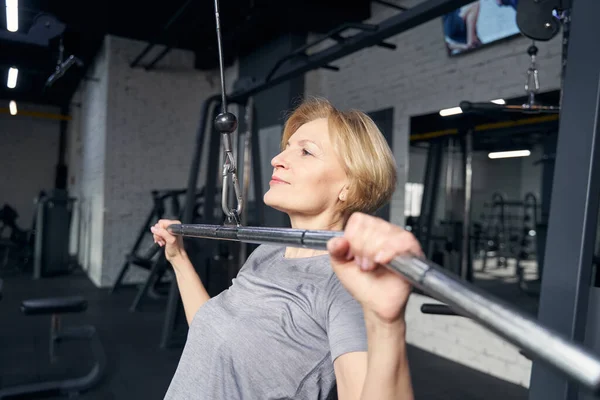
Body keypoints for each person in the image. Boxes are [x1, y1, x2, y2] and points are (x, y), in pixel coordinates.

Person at [151, 97, 424, 400]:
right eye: (288, 147)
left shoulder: (344, 285)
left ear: (350, 186)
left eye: (306, 151)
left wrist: (387, 326)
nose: (277, 159)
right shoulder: (269, 250)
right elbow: (212, 331)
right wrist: (178, 258)